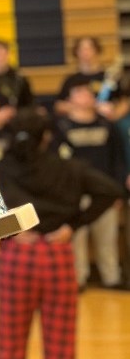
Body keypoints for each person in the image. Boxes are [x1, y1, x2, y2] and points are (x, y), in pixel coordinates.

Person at [0, 108, 122, 359]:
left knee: (10, 344)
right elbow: (110, 190)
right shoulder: (68, 168)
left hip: (17, 256)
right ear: (47, 137)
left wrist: (10, 231)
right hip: (57, 256)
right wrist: (73, 224)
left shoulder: (0, 169)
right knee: (60, 345)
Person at [54, 82, 127, 289]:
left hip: (104, 193)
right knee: (75, 238)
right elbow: (57, 163)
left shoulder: (107, 125)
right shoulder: (61, 126)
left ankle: (111, 278)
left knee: (107, 237)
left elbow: (118, 160)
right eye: (79, 92)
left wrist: (118, 191)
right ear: (70, 100)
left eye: (87, 92)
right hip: (74, 194)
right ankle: (78, 279)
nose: (85, 96)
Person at [53, 36, 129, 123]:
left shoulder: (110, 78)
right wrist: (85, 107)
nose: (86, 52)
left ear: (97, 50)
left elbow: (124, 102)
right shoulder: (71, 80)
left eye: (89, 48)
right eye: (82, 49)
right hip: (78, 125)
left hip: (107, 124)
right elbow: (58, 105)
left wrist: (115, 115)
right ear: (76, 53)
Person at [0, 38, 34, 160]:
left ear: (8, 54)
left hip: (13, 130)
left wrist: (13, 113)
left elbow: (29, 107)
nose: (0, 58)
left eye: (2, 53)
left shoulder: (19, 79)